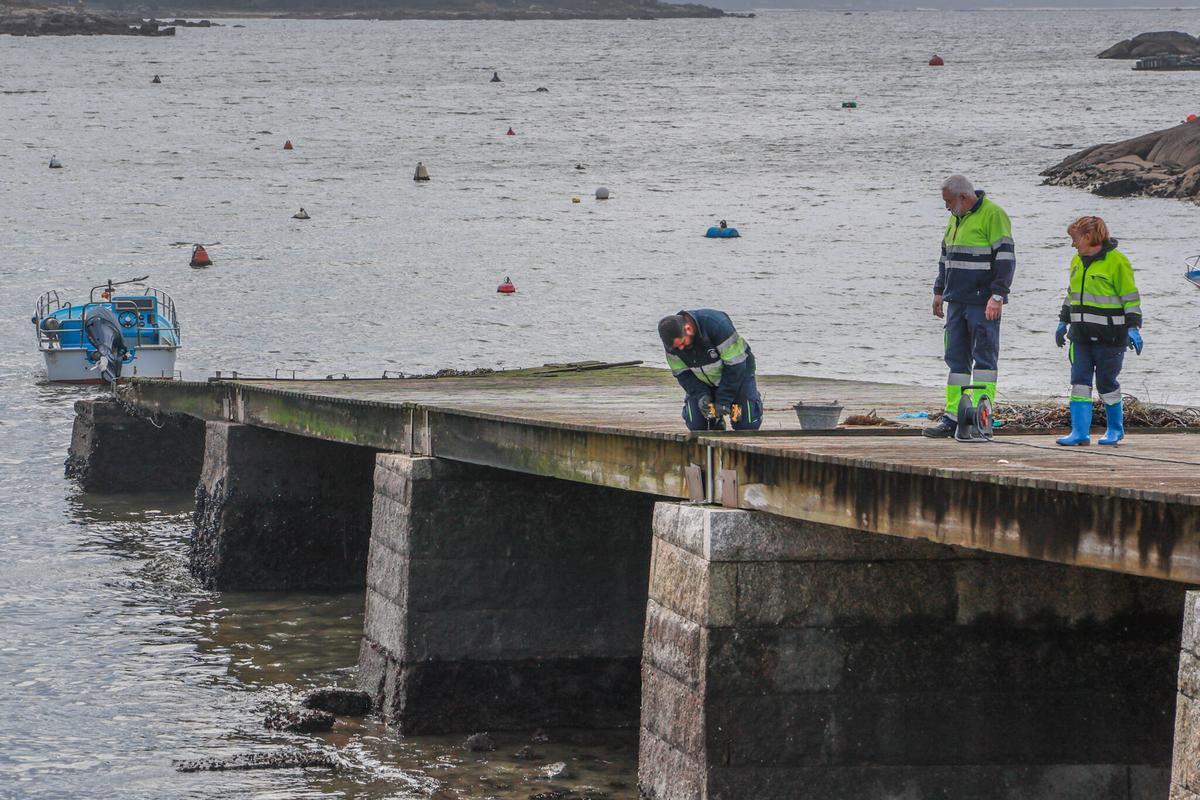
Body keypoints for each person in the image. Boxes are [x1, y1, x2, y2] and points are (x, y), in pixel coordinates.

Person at [924, 175, 1016, 438]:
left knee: (984, 360)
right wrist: (939, 290)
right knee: (955, 359)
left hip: (983, 301)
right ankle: (953, 417)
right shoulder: (956, 217)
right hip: (956, 299)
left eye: (948, 202)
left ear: (963, 197)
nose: (946, 207)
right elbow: (946, 256)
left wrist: (997, 295)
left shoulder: (994, 215)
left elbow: (1006, 259)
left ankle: (980, 416)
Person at [1054, 216, 1143, 446]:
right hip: (1080, 336)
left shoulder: (1117, 261)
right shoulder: (1076, 261)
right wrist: (1063, 321)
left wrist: (1133, 327)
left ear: (1088, 237)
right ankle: (1079, 432)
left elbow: (1130, 298)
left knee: (1106, 383)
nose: (1073, 244)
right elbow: (1071, 294)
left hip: (1110, 338)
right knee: (1080, 382)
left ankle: (1115, 429)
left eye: (1075, 239)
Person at [658, 310, 763, 431]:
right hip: (704, 382)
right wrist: (701, 395)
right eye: (677, 347)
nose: (681, 348)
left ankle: (748, 400)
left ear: (688, 329)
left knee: (744, 425)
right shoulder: (672, 346)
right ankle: (715, 419)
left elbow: (736, 367)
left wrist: (724, 400)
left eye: (682, 343)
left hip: (738, 378)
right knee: (697, 425)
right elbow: (683, 375)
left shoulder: (717, 325)